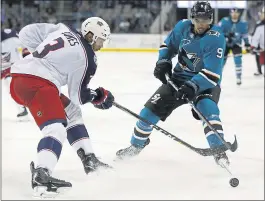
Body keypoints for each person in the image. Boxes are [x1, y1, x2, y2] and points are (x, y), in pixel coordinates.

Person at [10, 17, 114, 198]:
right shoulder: (88, 57)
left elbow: (26, 33)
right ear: (90, 35)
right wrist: (98, 96)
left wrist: (43, 58)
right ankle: (42, 175)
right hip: (38, 83)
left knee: (72, 112)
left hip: (21, 77)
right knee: (55, 129)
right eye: (100, 40)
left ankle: (89, 159)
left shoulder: (62, 28)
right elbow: (78, 96)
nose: (101, 45)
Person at [116, 1, 229, 168]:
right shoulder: (182, 27)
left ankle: (219, 151)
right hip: (178, 80)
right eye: (198, 20)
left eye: (206, 20)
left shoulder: (216, 37)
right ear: (192, 18)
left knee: (208, 110)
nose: (202, 24)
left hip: (205, 83)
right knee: (147, 113)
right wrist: (163, 61)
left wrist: (192, 86)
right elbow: (168, 45)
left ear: (211, 20)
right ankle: (136, 146)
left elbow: (213, 74)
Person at [218, 8, 251, 85]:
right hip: (225, 44)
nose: (234, 14)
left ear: (239, 14)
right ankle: (217, 77)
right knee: (221, 62)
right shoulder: (224, 21)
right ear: (230, 13)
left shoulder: (243, 23)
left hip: (236, 44)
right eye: (233, 12)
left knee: (238, 60)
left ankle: (238, 77)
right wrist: (225, 36)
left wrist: (247, 44)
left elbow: (245, 35)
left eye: (236, 13)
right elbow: (218, 31)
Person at [1, 28, 29, 119]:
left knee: (12, 87)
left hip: (9, 67)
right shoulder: (16, 33)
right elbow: (26, 49)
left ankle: (22, 109)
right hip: (18, 66)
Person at [251, 7, 264, 76]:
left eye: (262, 14)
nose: (260, 15)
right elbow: (255, 35)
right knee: (258, 57)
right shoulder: (258, 24)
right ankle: (259, 70)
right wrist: (253, 46)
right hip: (260, 46)